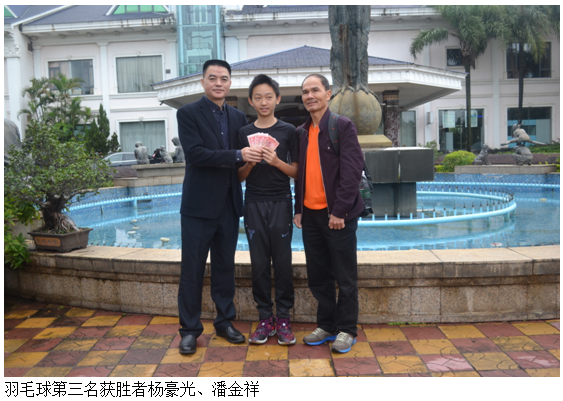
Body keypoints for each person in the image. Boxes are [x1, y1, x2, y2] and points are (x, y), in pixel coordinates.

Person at [176, 60, 263, 354]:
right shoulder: (187, 113)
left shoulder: (238, 117)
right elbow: (197, 154)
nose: (218, 83)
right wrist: (239, 154)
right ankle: (190, 330)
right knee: (192, 270)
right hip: (198, 207)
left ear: (229, 83)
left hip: (228, 205)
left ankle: (224, 322)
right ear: (203, 82)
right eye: (212, 78)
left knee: (225, 269)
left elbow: (245, 158)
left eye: (223, 78)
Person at [293, 73, 365, 354]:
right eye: (305, 92)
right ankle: (326, 325)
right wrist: (298, 209)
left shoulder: (341, 126)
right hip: (310, 217)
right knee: (318, 275)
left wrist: (339, 212)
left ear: (328, 93)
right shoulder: (301, 133)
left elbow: (352, 172)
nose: (309, 96)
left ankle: (347, 329)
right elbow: (300, 176)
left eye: (315, 90)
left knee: (345, 276)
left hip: (337, 217)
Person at [237, 74, 299, 345]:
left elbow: (296, 172)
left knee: (283, 263)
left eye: (269, 97)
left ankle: (283, 318)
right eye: (258, 97)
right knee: (259, 263)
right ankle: (265, 318)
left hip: (281, 202)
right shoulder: (244, 133)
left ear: (278, 99)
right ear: (251, 101)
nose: (264, 102)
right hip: (253, 203)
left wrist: (276, 162)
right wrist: (250, 163)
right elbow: (239, 176)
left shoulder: (289, 131)